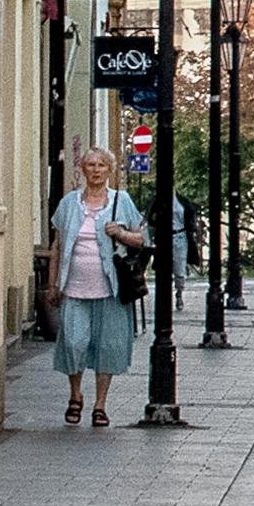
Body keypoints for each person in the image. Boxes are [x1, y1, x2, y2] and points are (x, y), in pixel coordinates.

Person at [47, 145, 147, 427]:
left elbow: (142, 239)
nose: (95, 170)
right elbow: (57, 246)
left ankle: (100, 405)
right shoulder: (69, 203)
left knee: (108, 347)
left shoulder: (121, 201)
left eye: (101, 165)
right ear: (82, 170)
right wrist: (54, 284)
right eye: (90, 165)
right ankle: (75, 395)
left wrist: (121, 233)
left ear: (109, 170)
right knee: (73, 343)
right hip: (75, 287)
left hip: (111, 290)